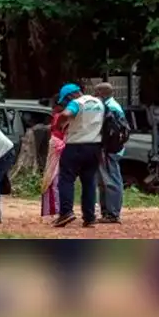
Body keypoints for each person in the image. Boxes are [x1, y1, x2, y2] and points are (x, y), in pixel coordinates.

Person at [52, 83, 105, 228]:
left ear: (71, 95)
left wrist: (60, 124)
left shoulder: (76, 103)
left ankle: (66, 212)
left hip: (75, 146)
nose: (66, 103)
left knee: (66, 180)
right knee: (89, 182)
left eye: (66, 100)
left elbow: (65, 114)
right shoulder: (99, 103)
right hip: (94, 146)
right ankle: (89, 217)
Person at [94, 82, 126, 224]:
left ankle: (112, 213)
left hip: (109, 149)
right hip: (113, 148)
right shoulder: (112, 105)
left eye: (96, 92)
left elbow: (111, 132)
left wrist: (105, 147)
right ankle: (107, 211)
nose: (94, 95)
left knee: (111, 180)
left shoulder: (110, 108)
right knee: (105, 180)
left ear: (101, 92)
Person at [40, 100, 67, 219]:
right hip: (60, 150)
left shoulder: (59, 117)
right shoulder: (61, 117)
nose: (52, 109)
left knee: (53, 180)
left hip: (58, 150)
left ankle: (56, 210)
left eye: (53, 107)